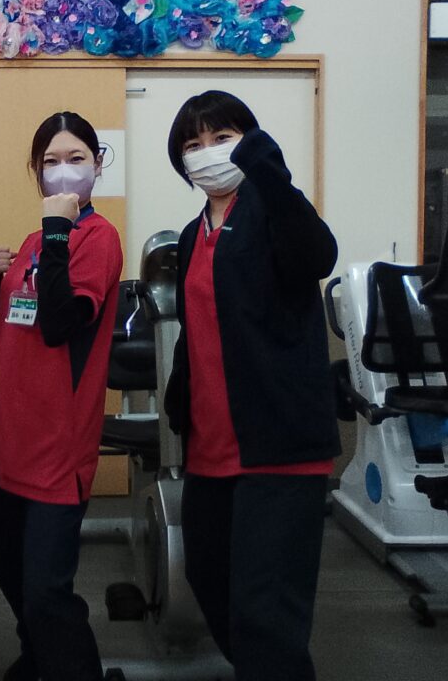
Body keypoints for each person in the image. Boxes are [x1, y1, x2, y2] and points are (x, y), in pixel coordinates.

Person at [163, 90, 340, 681]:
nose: (208, 152)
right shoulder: (192, 235)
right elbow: (199, 323)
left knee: (267, 611)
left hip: (278, 445)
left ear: (250, 142)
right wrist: (180, 390)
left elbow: (317, 256)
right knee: (209, 580)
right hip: (211, 448)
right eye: (193, 144)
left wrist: (272, 176)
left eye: (222, 138)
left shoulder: (271, 209)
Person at [0, 112, 123, 681]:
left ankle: (72, 667)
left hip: (57, 443)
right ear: (36, 172)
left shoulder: (97, 237)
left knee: (45, 589)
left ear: (97, 164)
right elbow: (27, 318)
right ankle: (42, 655)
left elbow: (63, 324)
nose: (63, 171)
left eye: (76, 158)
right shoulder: (36, 240)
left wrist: (59, 233)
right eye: (51, 162)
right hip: (10, 434)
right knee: (3, 556)